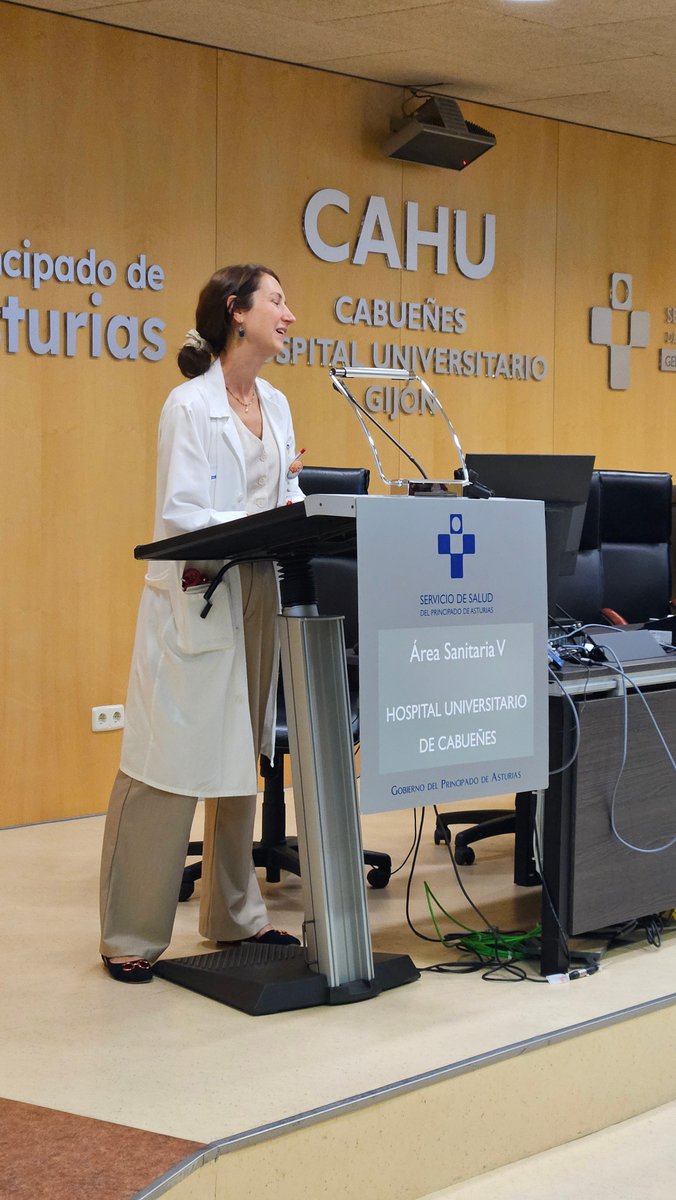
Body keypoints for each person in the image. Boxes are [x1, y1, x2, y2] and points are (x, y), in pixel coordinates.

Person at [99, 264, 304, 983]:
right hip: (199, 590)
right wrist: (261, 516)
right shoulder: (187, 406)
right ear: (236, 312)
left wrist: (295, 506)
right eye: (277, 301)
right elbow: (182, 512)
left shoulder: (276, 403)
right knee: (166, 758)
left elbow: (284, 490)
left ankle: (234, 915)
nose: (289, 314)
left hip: (257, 583)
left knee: (239, 751)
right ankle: (130, 930)